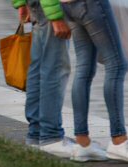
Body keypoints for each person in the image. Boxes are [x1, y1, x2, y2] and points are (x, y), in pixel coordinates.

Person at [61, 0, 128, 162]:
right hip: (91, 4)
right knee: (117, 65)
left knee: (84, 68)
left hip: (67, 5)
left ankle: (82, 144)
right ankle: (119, 140)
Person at [12, 0, 73, 158]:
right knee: (55, 67)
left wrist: (20, 3)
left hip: (38, 5)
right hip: (50, 5)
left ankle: (37, 134)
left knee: (39, 67)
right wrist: (55, 16)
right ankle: (51, 137)